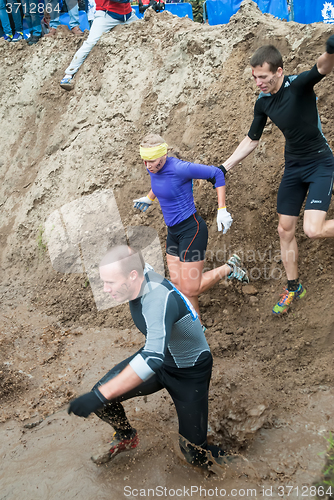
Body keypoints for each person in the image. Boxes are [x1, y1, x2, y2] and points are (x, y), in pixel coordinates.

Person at [67, 245, 247, 469]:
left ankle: (239, 469)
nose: (105, 289)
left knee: (194, 455)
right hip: (161, 356)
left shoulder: (156, 299)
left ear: (133, 276)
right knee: (101, 399)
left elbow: (152, 358)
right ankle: (126, 436)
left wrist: (102, 394)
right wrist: (101, 395)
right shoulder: (138, 274)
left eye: (110, 283)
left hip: (189, 371)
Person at [219, 36, 334, 315]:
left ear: (279, 72)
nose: (259, 82)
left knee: (313, 230)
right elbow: (251, 139)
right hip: (293, 167)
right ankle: (294, 286)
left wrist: (330, 50)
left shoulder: (298, 86)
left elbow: (322, 67)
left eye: (263, 77)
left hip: (320, 164)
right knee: (285, 229)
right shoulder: (263, 103)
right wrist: (224, 167)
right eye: (255, 77)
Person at [133, 133, 249, 322]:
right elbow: (160, 182)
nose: (147, 166)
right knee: (180, 285)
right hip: (173, 233)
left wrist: (222, 209)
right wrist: (149, 197)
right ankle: (198, 326)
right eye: (144, 161)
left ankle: (230, 267)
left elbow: (217, 174)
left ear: (163, 155)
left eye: (151, 161)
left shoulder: (180, 168)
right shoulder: (152, 167)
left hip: (191, 230)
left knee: (191, 288)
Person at [59, 0, 138, 90]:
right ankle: (68, 74)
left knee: (145, 29)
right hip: (106, 15)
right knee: (90, 42)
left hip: (128, 15)